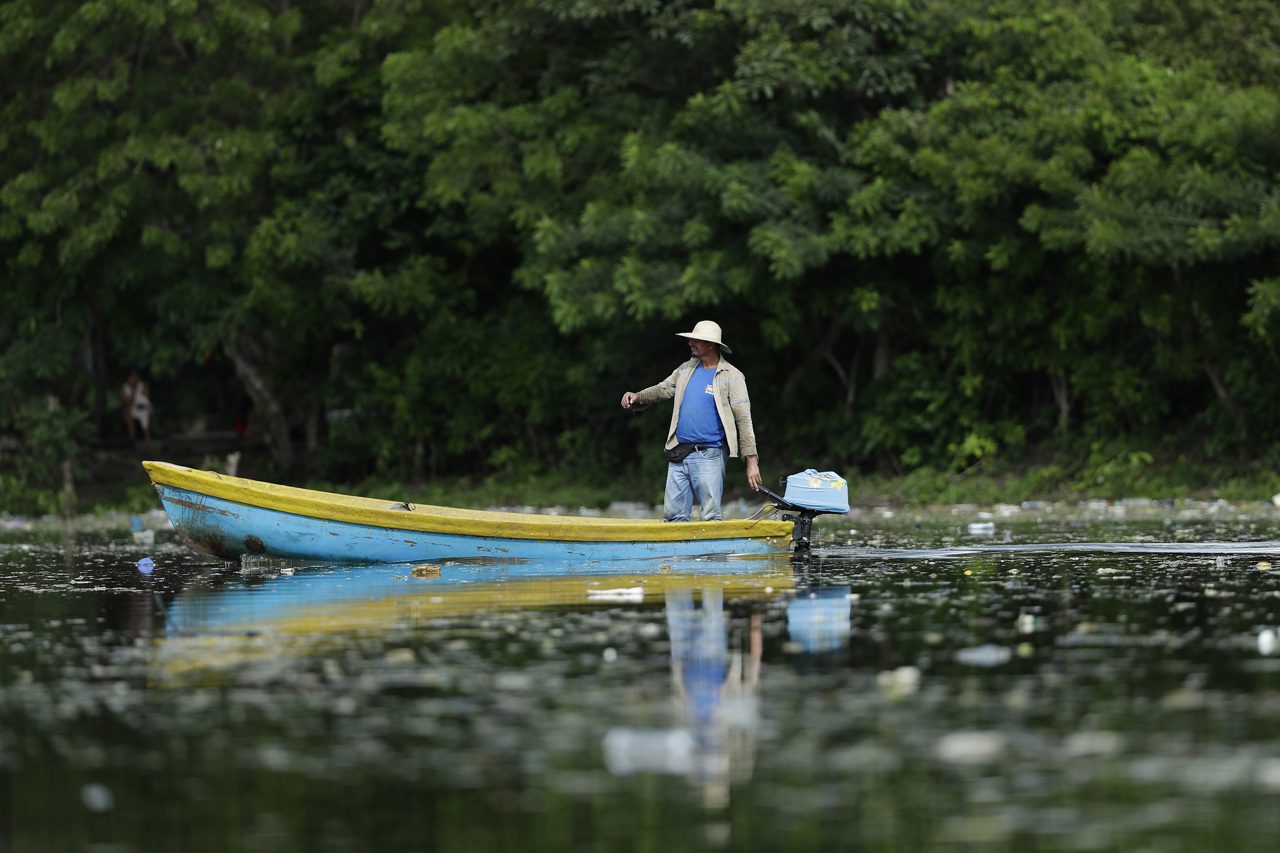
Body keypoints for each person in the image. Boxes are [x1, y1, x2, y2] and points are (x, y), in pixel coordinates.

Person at [621, 320, 762, 521]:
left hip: (710, 455)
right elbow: (663, 389)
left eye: (696, 339)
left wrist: (751, 461)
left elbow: (744, 421)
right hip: (679, 452)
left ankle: (712, 553)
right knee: (672, 517)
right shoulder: (685, 369)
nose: (690, 342)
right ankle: (680, 553)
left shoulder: (732, 376)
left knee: (710, 516)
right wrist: (638, 397)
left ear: (711, 344)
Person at [121, 370, 152, 441]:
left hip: (143, 408)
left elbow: (147, 396)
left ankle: (148, 440)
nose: (134, 379)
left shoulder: (142, 385)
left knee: (145, 417)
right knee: (129, 416)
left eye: (136, 377)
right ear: (129, 378)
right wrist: (133, 391)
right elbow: (128, 402)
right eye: (132, 377)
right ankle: (132, 439)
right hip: (132, 409)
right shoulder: (126, 388)